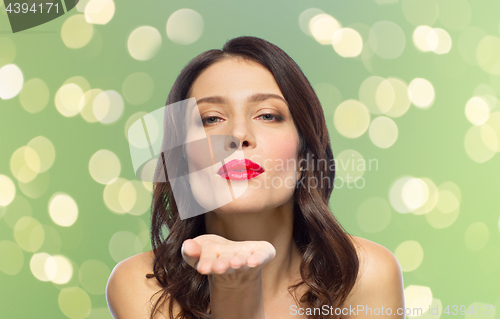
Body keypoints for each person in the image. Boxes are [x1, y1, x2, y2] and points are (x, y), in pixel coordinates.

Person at [106, 35, 405, 319]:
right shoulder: (142, 285)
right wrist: (235, 292)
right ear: (182, 160)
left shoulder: (365, 274)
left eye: (267, 115)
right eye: (211, 119)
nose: (238, 135)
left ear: (304, 155)